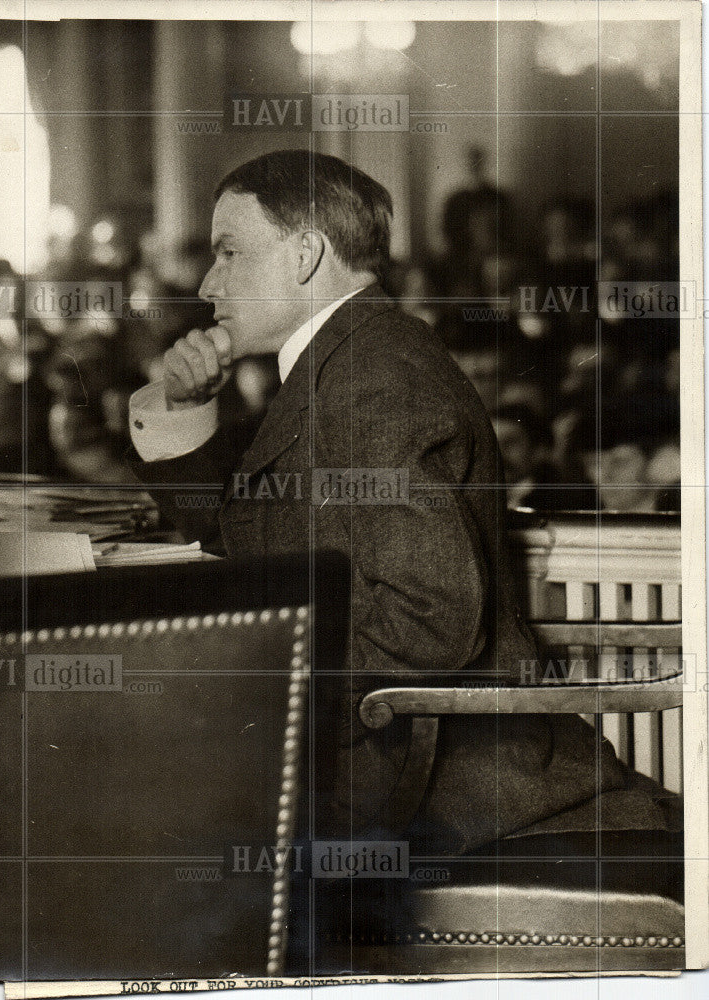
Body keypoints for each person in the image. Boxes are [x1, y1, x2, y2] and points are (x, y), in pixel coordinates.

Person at [128, 150, 648, 853]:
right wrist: (186, 408)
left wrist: (256, 685)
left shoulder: (373, 380)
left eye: (229, 252)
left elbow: (428, 618)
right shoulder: (349, 359)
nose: (207, 281)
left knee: (135, 808)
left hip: (439, 784)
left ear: (307, 253)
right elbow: (242, 532)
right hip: (395, 757)